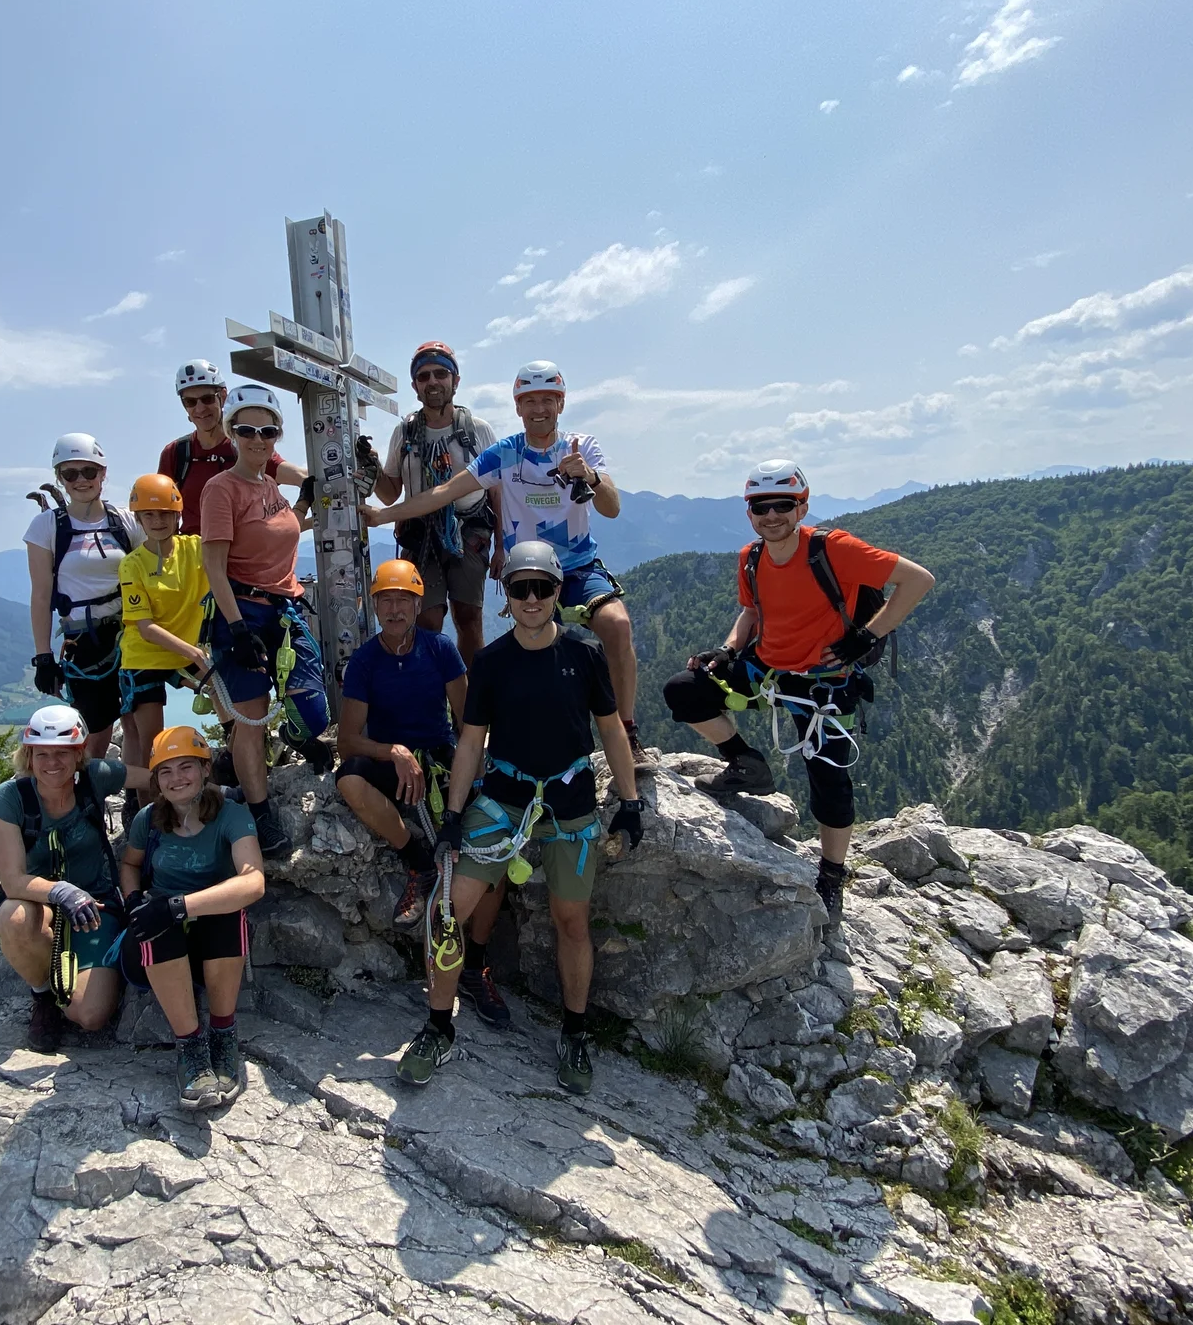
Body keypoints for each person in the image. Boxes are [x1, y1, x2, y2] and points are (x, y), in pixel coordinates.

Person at [395, 541, 645, 1096]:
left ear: (559, 592)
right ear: (505, 596)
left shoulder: (584, 654)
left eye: (542, 588)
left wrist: (629, 803)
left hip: (568, 801)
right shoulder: (491, 662)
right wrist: (455, 814)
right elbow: (470, 743)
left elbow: (610, 730)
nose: (531, 598)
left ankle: (575, 1031)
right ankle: (438, 1025)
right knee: (447, 909)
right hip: (504, 797)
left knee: (571, 920)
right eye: (519, 588)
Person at [660, 460, 934, 925]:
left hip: (825, 682)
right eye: (760, 506)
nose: (771, 515)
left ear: (801, 505)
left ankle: (831, 875)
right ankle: (746, 763)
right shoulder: (751, 558)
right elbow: (751, 612)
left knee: (828, 780)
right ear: (749, 512)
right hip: (769, 669)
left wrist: (866, 636)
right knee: (685, 690)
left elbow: (918, 580)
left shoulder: (834, 549)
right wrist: (727, 652)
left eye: (782, 505)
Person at [364, 362, 647, 762]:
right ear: (518, 408)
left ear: (561, 403)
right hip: (529, 574)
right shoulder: (505, 454)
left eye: (547, 399)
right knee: (540, 662)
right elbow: (445, 492)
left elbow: (612, 508)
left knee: (616, 625)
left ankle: (627, 731)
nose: (539, 409)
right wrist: (383, 515)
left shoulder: (581, 447)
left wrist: (592, 477)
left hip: (578, 566)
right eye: (529, 401)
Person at [331, 561, 520, 1017]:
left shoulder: (440, 650)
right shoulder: (364, 661)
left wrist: (472, 777)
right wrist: (393, 751)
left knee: (492, 853)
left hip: (439, 757)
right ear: (374, 605)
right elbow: (348, 740)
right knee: (350, 778)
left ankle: (474, 966)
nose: (394, 609)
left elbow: (467, 717)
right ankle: (417, 860)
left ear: (418, 605)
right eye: (385, 600)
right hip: (390, 759)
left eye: (403, 600)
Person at [201, 383, 331, 858]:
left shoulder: (271, 487)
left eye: (268, 430)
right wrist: (237, 631)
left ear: (278, 436)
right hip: (243, 611)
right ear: (232, 432)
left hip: (283, 610)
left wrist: (305, 504)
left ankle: (294, 735)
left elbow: (281, 529)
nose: (258, 438)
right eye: (247, 429)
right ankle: (258, 812)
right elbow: (214, 566)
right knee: (250, 719)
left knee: (314, 709)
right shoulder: (221, 489)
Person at [119, 727, 266, 1110]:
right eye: (165, 772)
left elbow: (253, 881)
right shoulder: (149, 819)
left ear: (205, 770)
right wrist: (135, 899)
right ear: (155, 781)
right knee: (156, 921)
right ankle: (192, 1048)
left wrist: (178, 905)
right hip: (161, 948)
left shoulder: (231, 815)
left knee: (225, 910)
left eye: (186, 767)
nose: (176, 778)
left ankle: (223, 1034)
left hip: (211, 942)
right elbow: (131, 863)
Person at [0, 705, 129, 1053]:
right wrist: (61, 891)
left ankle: (81, 976)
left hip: (97, 906)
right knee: (14, 917)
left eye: (62, 753)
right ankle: (43, 997)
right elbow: (13, 880)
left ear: (79, 753)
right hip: (37, 906)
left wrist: (219, 788)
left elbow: (156, 778)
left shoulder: (97, 777)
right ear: (28, 755)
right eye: (41, 753)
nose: (51, 762)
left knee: (91, 1015)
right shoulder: (10, 799)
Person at [372, 341, 501, 665]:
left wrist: (502, 546)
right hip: (421, 534)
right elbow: (389, 493)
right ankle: (436, 696)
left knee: (469, 616)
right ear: (415, 385)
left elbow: (497, 491)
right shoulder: (405, 433)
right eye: (425, 376)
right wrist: (371, 467)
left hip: (470, 530)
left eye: (441, 374)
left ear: (455, 381)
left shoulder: (478, 430)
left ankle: (471, 704)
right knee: (428, 619)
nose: (433, 382)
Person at [27, 434, 144, 769]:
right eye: (70, 473)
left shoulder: (125, 520)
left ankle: (139, 801)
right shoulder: (46, 526)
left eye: (88, 472)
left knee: (136, 721)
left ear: (102, 474)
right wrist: (43, 657)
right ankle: (89, 802)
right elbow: (40, 595)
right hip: (83, 641)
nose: (81, 480)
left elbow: (150, 570)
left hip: (129, 633)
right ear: (59, 478)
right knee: (96, 731)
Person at [117, 472, 213, 802]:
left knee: (232, 706)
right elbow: (144, 626)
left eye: (165, 514)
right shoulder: (132, 565)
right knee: (153, 744)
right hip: (145, 655)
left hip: (186, 652)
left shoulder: (196, 548)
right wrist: (195, 651)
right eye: (149, 515)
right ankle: (149, 818)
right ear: (139, 519)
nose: (158, 521)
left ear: (177, 516)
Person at [159, 360, 306, 537]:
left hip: (240, 556)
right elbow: (161, 511)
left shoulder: (247, 445)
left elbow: (301, 477)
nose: (199, 408)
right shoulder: (176, 453)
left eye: (207, 399)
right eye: (190, 402)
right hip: (192, 557)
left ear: (222, 395)